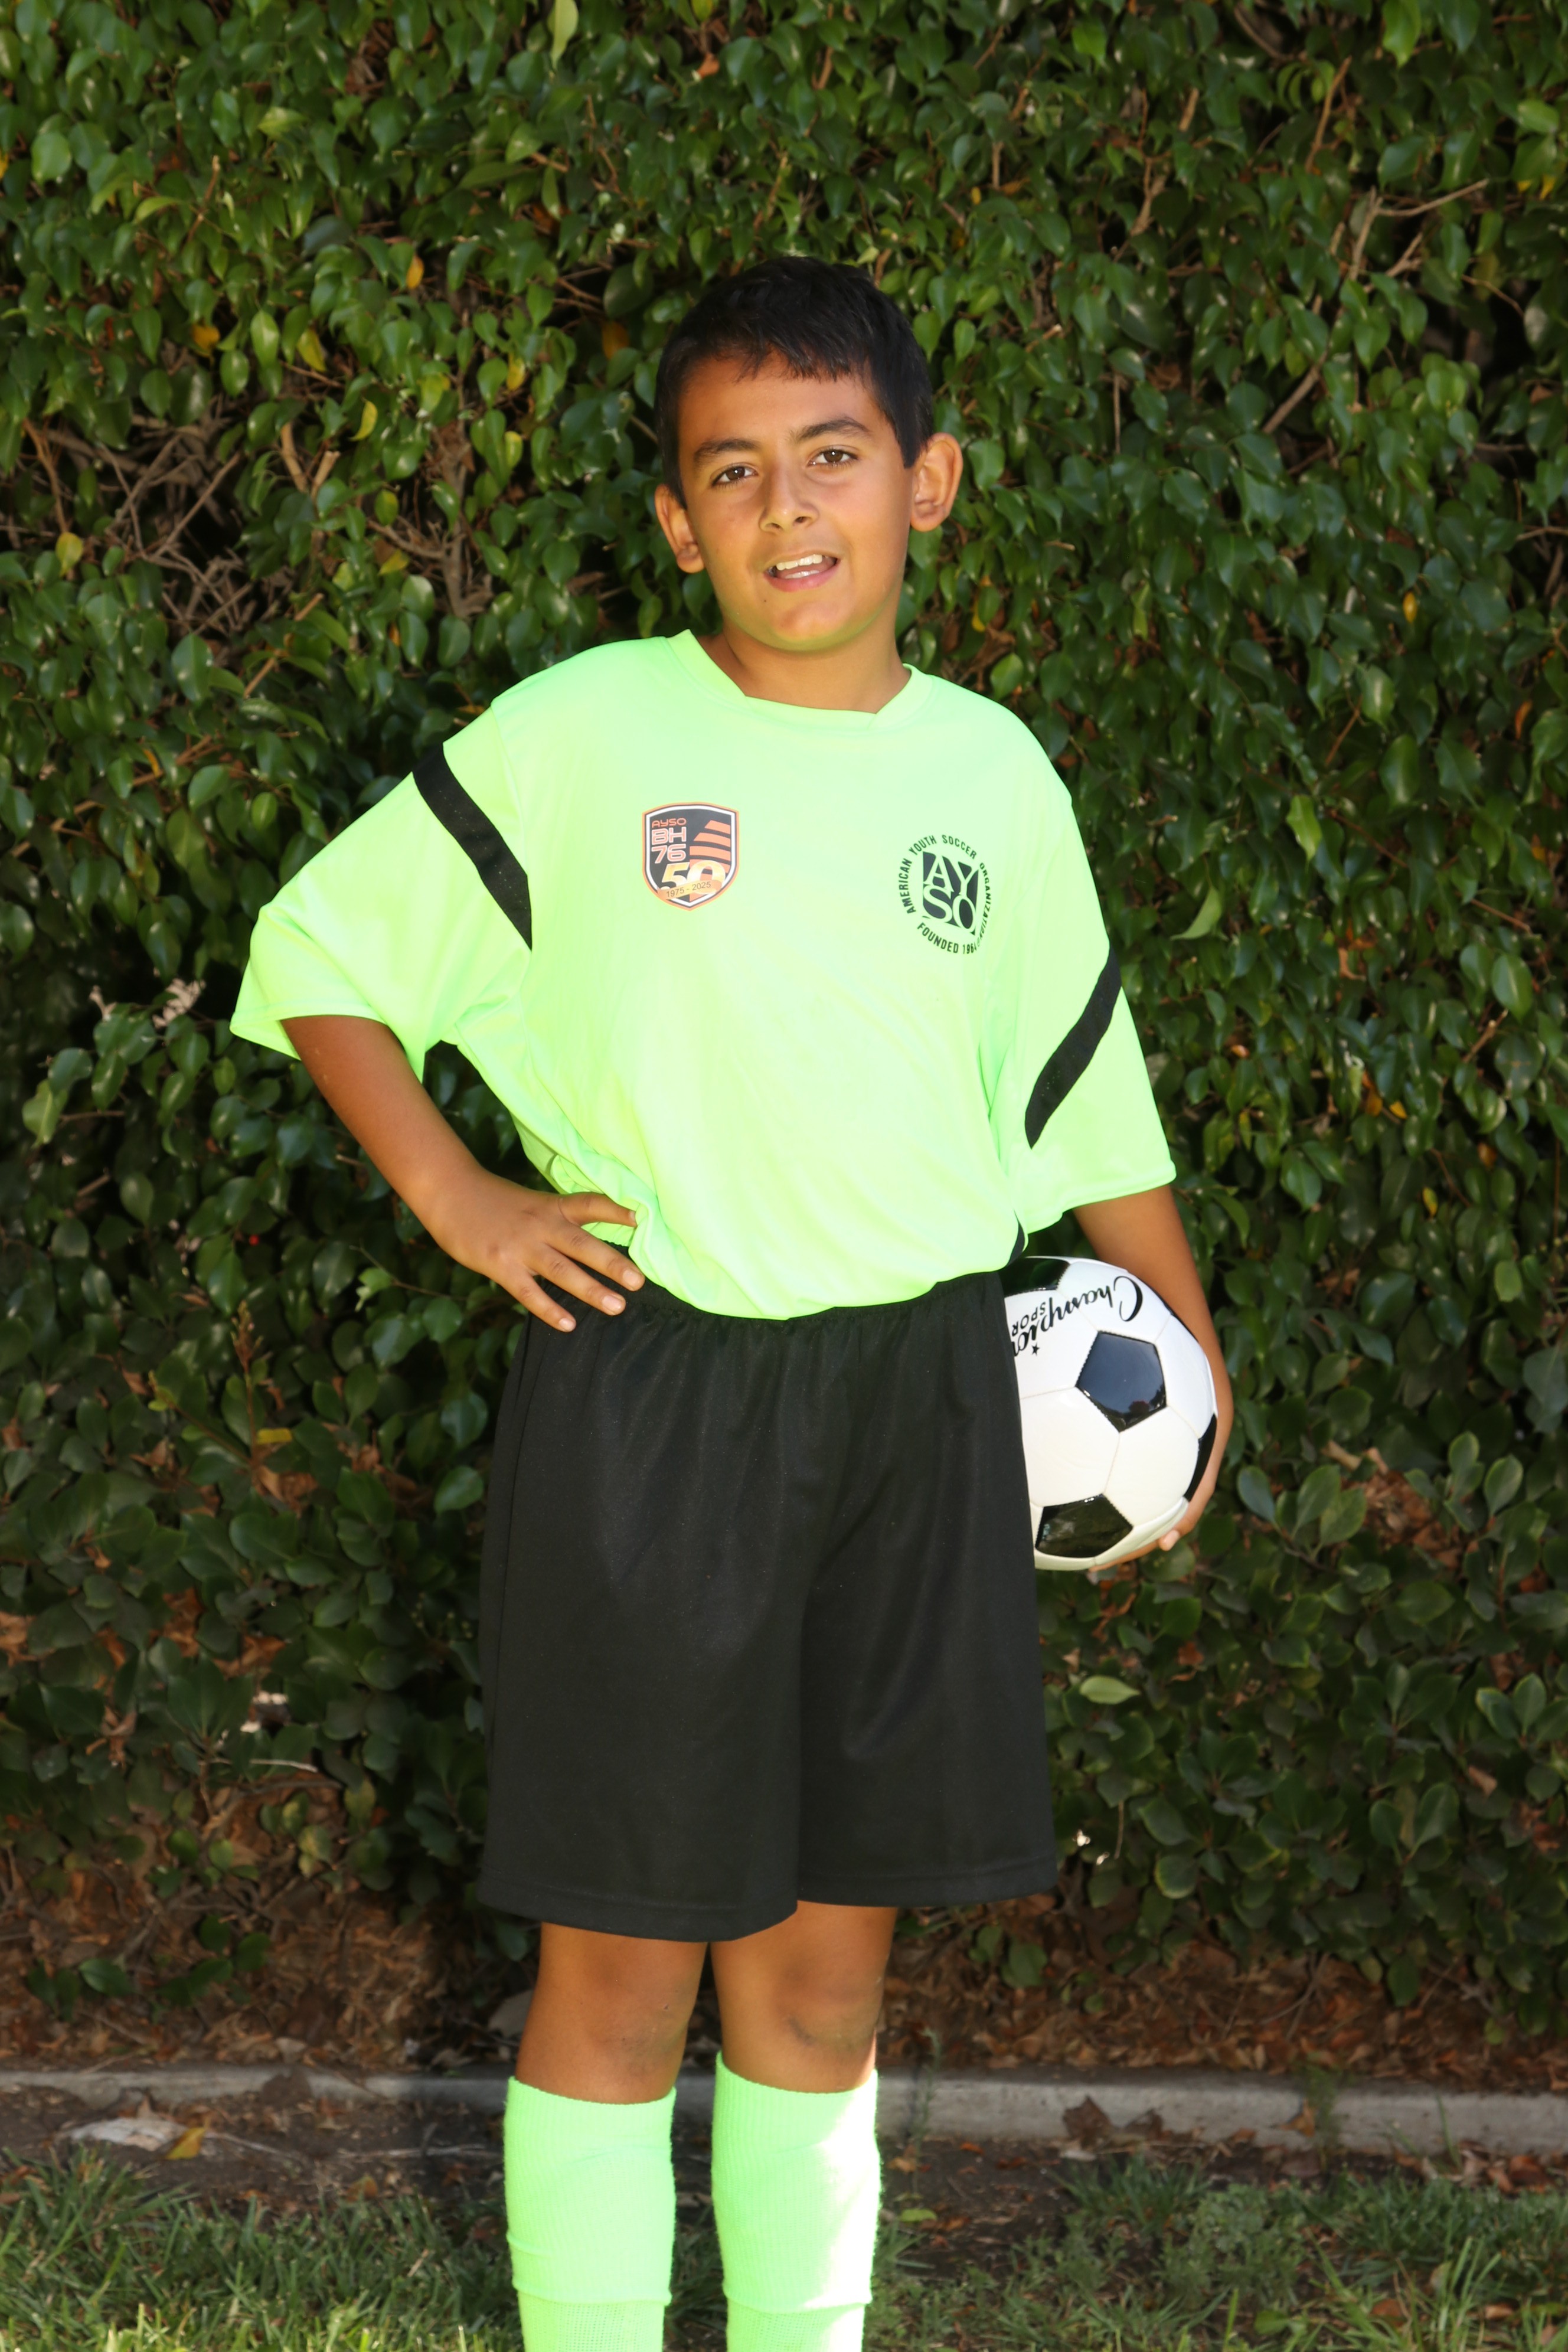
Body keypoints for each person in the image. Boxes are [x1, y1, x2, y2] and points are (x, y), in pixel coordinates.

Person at [232, 257, 1233, 2352]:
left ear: (928, 480)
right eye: (735, 471)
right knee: (619, 1975)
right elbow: (323, 950)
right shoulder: (588, 733)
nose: (791, 508)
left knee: (823, 1982)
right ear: (678, 522)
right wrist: (463, 1197)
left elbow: (1086, 1097)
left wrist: (1183, 1353)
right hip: (656, 1410)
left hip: (920, 1406)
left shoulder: (995, 777)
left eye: (835, 457)